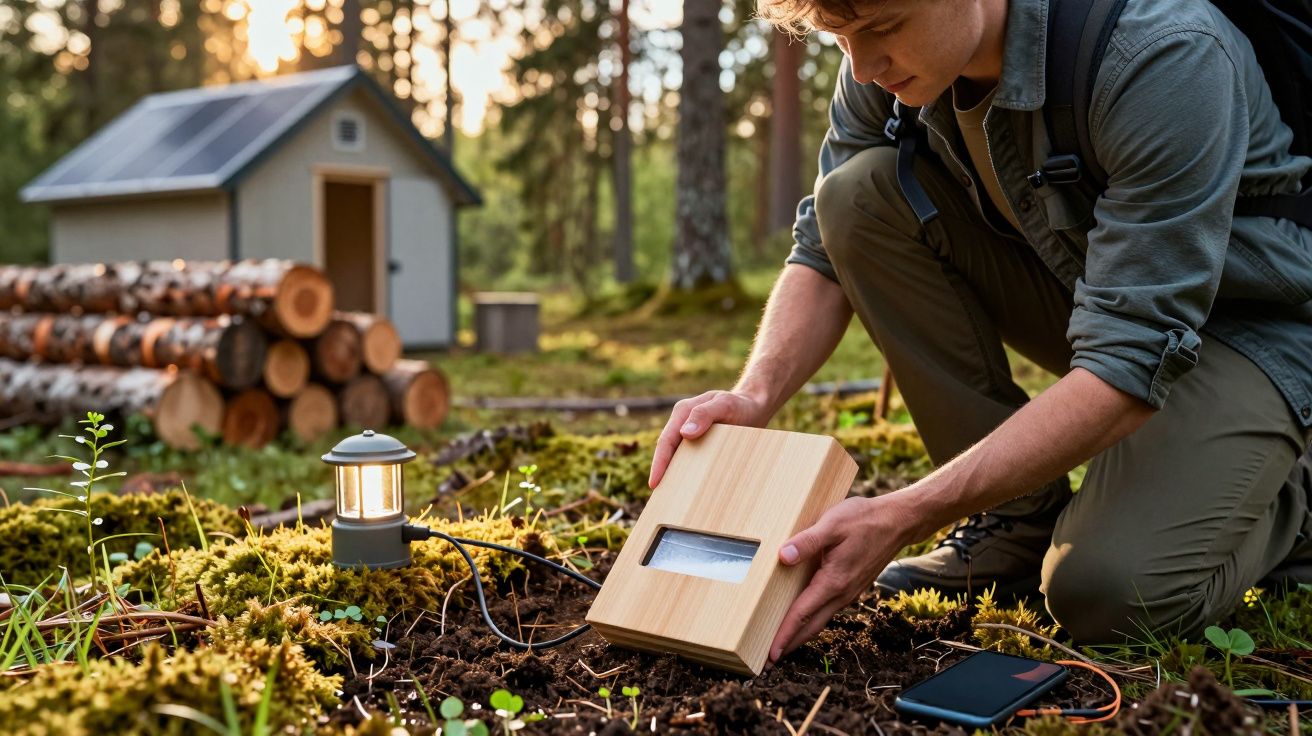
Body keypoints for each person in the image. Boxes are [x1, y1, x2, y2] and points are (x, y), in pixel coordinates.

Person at [647, 0, 1312, 665]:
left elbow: (1129, 358)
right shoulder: (883, 60)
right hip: (1096, 294)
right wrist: (755, 393)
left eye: (882, 29)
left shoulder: (1161, 53)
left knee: (1110, 592)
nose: (863, 66)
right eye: (840, 39)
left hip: (1251, 329)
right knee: (855, 195)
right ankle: (1016, 521)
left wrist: (908, 511)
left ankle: (1290, 493)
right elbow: (823, 245)